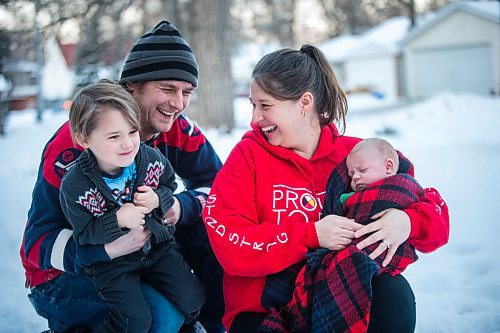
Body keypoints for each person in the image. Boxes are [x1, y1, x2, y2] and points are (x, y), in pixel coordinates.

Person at [202, 45, 449, 333]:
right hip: (264, 310)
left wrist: (408, 221)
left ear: (304, 102)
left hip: (341, 295)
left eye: (265, 106)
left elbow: (431, 213)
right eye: (253, 105)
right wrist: (311, 234)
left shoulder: (357, 156)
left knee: (395, 293)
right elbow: (227, 244)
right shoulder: (248, 156)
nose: (255, 119)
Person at [21, 21, 224, 333]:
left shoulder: (177, 130)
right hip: (68, 271)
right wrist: (106, 250)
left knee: (215, 239)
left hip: (144, 253)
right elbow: (38, 243)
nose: (179, 103)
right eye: (168, 89)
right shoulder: (77, 143)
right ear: (132, 85)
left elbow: (220, 187)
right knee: (160, 317)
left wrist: (180, 207)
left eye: (187, 92)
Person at [58, 82, 205, 332]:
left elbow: (170, 185)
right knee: (135, 322)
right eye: (114, 136)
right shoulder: (76, 186)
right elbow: (83, 234)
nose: (128, 144)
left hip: (157, 248)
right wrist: (115, 220)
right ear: (84, 139)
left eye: (132, 132)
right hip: (112, 266)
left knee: (194, 299)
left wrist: (159, 198)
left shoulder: (149, 160)